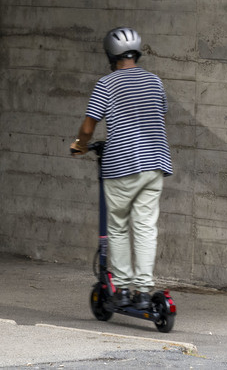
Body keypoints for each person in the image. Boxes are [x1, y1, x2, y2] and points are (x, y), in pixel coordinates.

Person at [71, 27, 173, 304]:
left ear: (110, 54)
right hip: (155, 164)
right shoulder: (155, 82)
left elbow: (89, 126)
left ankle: (124, 288)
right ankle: (144, 291)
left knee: (117, 227)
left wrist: (80, 145)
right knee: (145, 227)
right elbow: (158, 118)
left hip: (122, 165)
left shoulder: (107, 84)